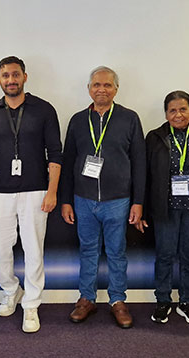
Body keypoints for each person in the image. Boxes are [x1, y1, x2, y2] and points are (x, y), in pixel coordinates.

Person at [0, 56, 62, 333]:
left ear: (25, 77)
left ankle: (31, 304)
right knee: (1, 250)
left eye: (15, 75)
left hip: (37, 191)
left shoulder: (44, 110)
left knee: (33, 250)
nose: (11, 80)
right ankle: (11, 290)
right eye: (5, 75)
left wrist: (52, 192)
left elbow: (56, 154)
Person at [60, 66, 146, 329]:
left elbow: (140, 162)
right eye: (97, 85)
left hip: (118, 200)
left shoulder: (129, 119)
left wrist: (138, 201)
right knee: (88, 250)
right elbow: (68, 160)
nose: (102, 89)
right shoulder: (77, 120)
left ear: (116, 89)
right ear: (89, 89)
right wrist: (65, 199)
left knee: (117, 252)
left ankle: (117, 301)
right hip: (83, 199)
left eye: (107, 85)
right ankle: (87, 298)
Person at [141, 90, 189, 327]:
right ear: (166, 113)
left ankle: (187, 302)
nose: (178, 114)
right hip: (166, 209)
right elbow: (145, 176)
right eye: (172, 110)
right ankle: (163, 300)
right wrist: (141, 208)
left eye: (183, 109)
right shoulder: (154, 137)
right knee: (164, 256)